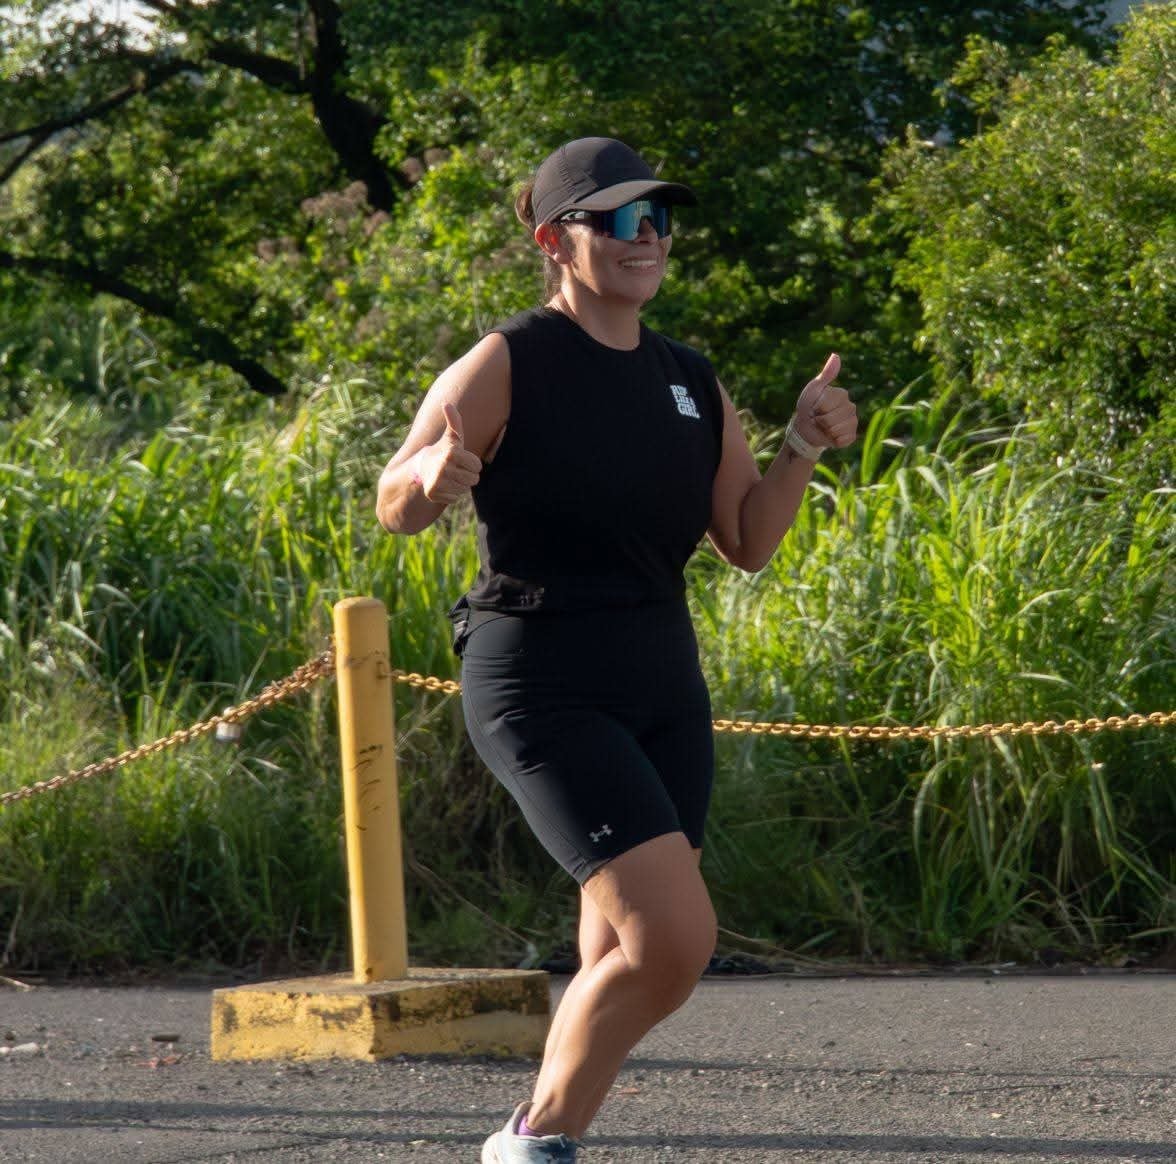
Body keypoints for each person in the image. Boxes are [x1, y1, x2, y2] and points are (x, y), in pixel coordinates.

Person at [375, 136, 857, 1163]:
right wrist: (436, 479)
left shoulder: (689, 379)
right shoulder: (511, 360)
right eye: (622, 221)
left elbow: (748, 539)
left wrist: (801, 449)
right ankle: (533, 1141)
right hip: (541, 676)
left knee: (613, 944)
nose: (650, 240)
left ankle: (539, 1141)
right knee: (673, 945)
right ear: (556, 241)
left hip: (660, 678)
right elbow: (395, 501)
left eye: (661, 221)